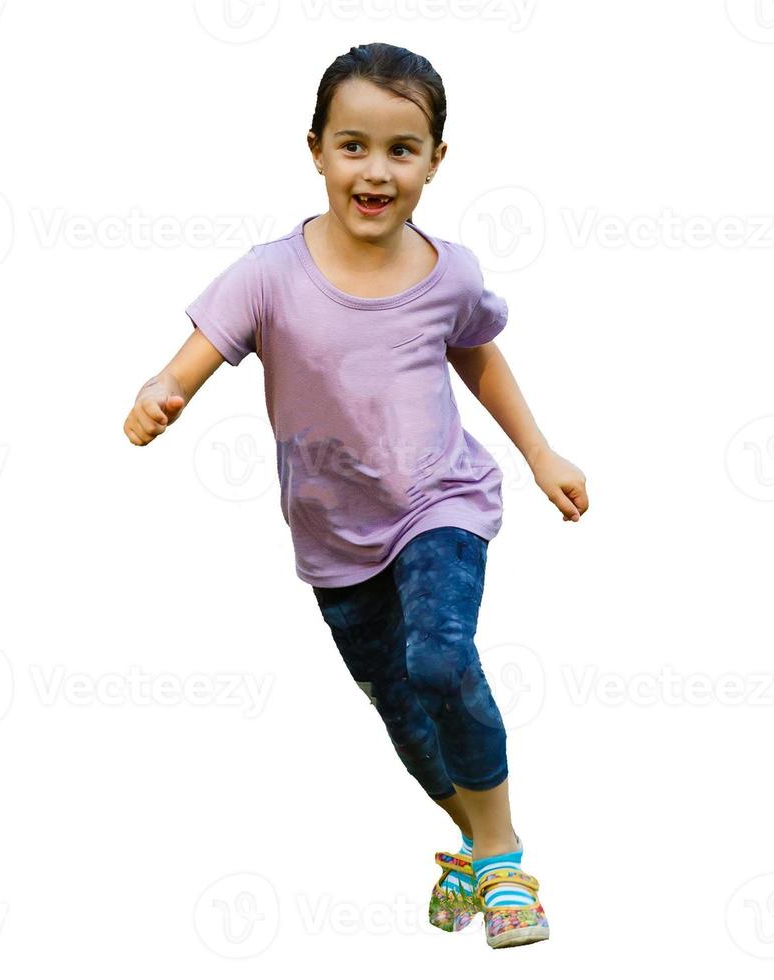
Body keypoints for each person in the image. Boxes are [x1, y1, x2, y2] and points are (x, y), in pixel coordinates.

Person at [121, 42, 588, 950]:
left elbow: (477, 353)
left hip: (436, 503)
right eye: (353, 146)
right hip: (332, 536)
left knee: (440, 660)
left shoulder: (446, 270)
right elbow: (188, 361)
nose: (375, 171)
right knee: (404, 716)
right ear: (315, 150)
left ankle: (502, 862)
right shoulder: (266, 274)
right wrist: (157, 396)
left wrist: (539, 453)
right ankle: (470, 841)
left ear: (434, 162)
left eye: (400, 149)